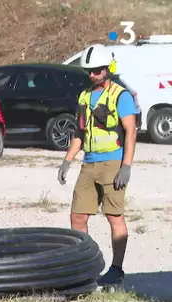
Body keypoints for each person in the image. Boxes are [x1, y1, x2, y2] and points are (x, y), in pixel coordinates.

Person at [57, 44, 138, 289]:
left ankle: (116, 269)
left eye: (96, 70)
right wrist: (67, 160)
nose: (91, 75)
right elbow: (80, 132)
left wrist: (126, 166)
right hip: (89, 163)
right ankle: (85, 266)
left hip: (113, 162)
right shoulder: (84, 96)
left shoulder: (120, 95)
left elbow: (131, 131)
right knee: (77, 217)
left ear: (107, 69)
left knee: (114, 216)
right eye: (89, 71)